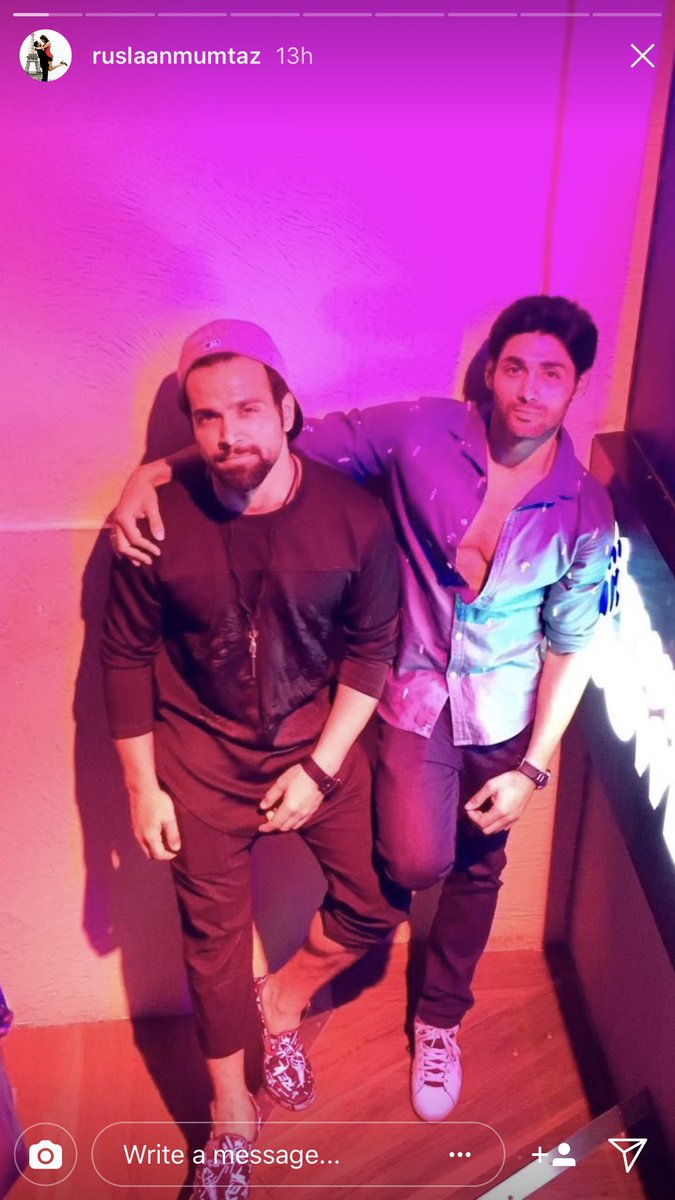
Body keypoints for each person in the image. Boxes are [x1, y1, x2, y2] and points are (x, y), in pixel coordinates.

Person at [111, 296, 614, 1124]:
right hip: (411, 696)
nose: (529, 390)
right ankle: (274, 1014)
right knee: (413, 863)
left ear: (576, 385)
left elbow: (573, 642)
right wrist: (154, 472)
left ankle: (440, 1018)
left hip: (506, 707)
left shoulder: (586, 510)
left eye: (551, 374)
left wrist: (533, 765)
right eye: (515, 368)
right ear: (490, 371)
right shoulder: (418, 432)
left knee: (481, 865)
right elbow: (267, 440)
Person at [101, 320, 406, 1199]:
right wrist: (141, 788)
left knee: (380, 893)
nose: (227, 434)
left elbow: (371, 651)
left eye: (245, 409)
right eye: (206, 417)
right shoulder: (155, 523)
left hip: (316, 741)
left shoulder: (354, 518)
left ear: (286, 410)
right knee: (213, 946)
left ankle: (285, 1001)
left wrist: (319, 769)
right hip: (199, 753)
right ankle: (230, 1118)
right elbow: (122, 656)